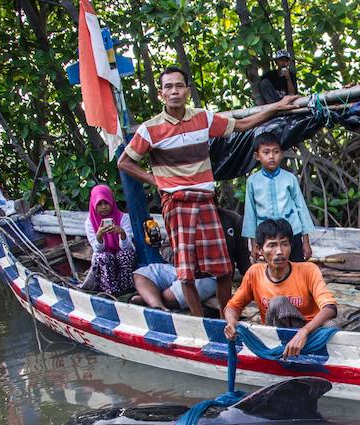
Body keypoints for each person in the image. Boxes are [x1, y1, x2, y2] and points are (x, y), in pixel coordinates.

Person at [118, 66, 297, 318]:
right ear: (161, 94)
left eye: (179, 86)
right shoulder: (150, 129)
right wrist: (157, 181)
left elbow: (243, 125)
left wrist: (276, 107)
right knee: (186, 272)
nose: (174, 92)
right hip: (177, 204)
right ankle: (198, 319)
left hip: (205, 201)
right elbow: (124, 162)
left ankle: (226, 316)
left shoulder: (202, 118)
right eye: (168, 87)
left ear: (187, 91)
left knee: (223, 268)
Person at [225, 218, 338, 358]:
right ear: (259, 250)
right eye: (272, 245)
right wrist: (231, 322)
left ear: (291, 246)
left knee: (331, 325)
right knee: (278, 302)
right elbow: (233, 307)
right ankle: (282, 354)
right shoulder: (254, 273)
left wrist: (303, 332)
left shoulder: (308, 270)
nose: (279, 251)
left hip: (306, 334)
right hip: (276, 335)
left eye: (284, 244)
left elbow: (330, 307)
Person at [132, 208, 251, 311]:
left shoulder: (231, 218)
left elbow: (242, 255)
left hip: (211, 275)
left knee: (170, 296)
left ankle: (147, 298)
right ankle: (159, 308)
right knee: (142, 274)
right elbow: (166, 248)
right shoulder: (181, 215)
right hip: (181, 268)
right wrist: (182, 256)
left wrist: (250, 280)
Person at [243, 132, 316, 263]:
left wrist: (306, 242)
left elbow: (301, 208)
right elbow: (250, 213)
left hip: (293, 233)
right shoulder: (252, 181)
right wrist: (253, 244)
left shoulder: (290, 178)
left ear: (281, 154)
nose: (271, 156)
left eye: (276, 152)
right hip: (267, 236)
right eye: (266, 152)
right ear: (257, 156)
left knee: (296, 269)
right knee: (272, 272)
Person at [84, 184, 136, 296]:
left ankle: (126, 289)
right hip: (105, 258)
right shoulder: (90, 223)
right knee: (104, 257)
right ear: (93, 205)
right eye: (99, 204)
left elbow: (128, 248)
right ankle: (111, 291)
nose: (103, 207)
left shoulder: (123, 218)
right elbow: (97, 250)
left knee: (125, 254)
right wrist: (99, 235)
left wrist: (122, 233)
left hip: (121, 254)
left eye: (106, 203)